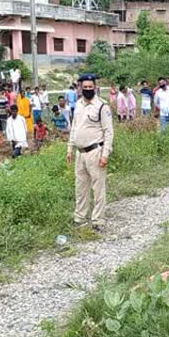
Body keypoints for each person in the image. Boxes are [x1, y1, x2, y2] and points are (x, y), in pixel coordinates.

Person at [67, 74, 114, 230]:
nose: (87, 90)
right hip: (80, 153)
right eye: (85, 87)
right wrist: (70, 148)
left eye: (90, 87)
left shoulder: (102, 106)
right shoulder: (78, 104)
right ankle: (80, 217)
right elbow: (74, 127)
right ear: (80, 88)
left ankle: (98, 220)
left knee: (98, 187)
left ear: (95, 87)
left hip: (95, 151)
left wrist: (105, 154)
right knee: (80, 187)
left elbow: (109, 132)